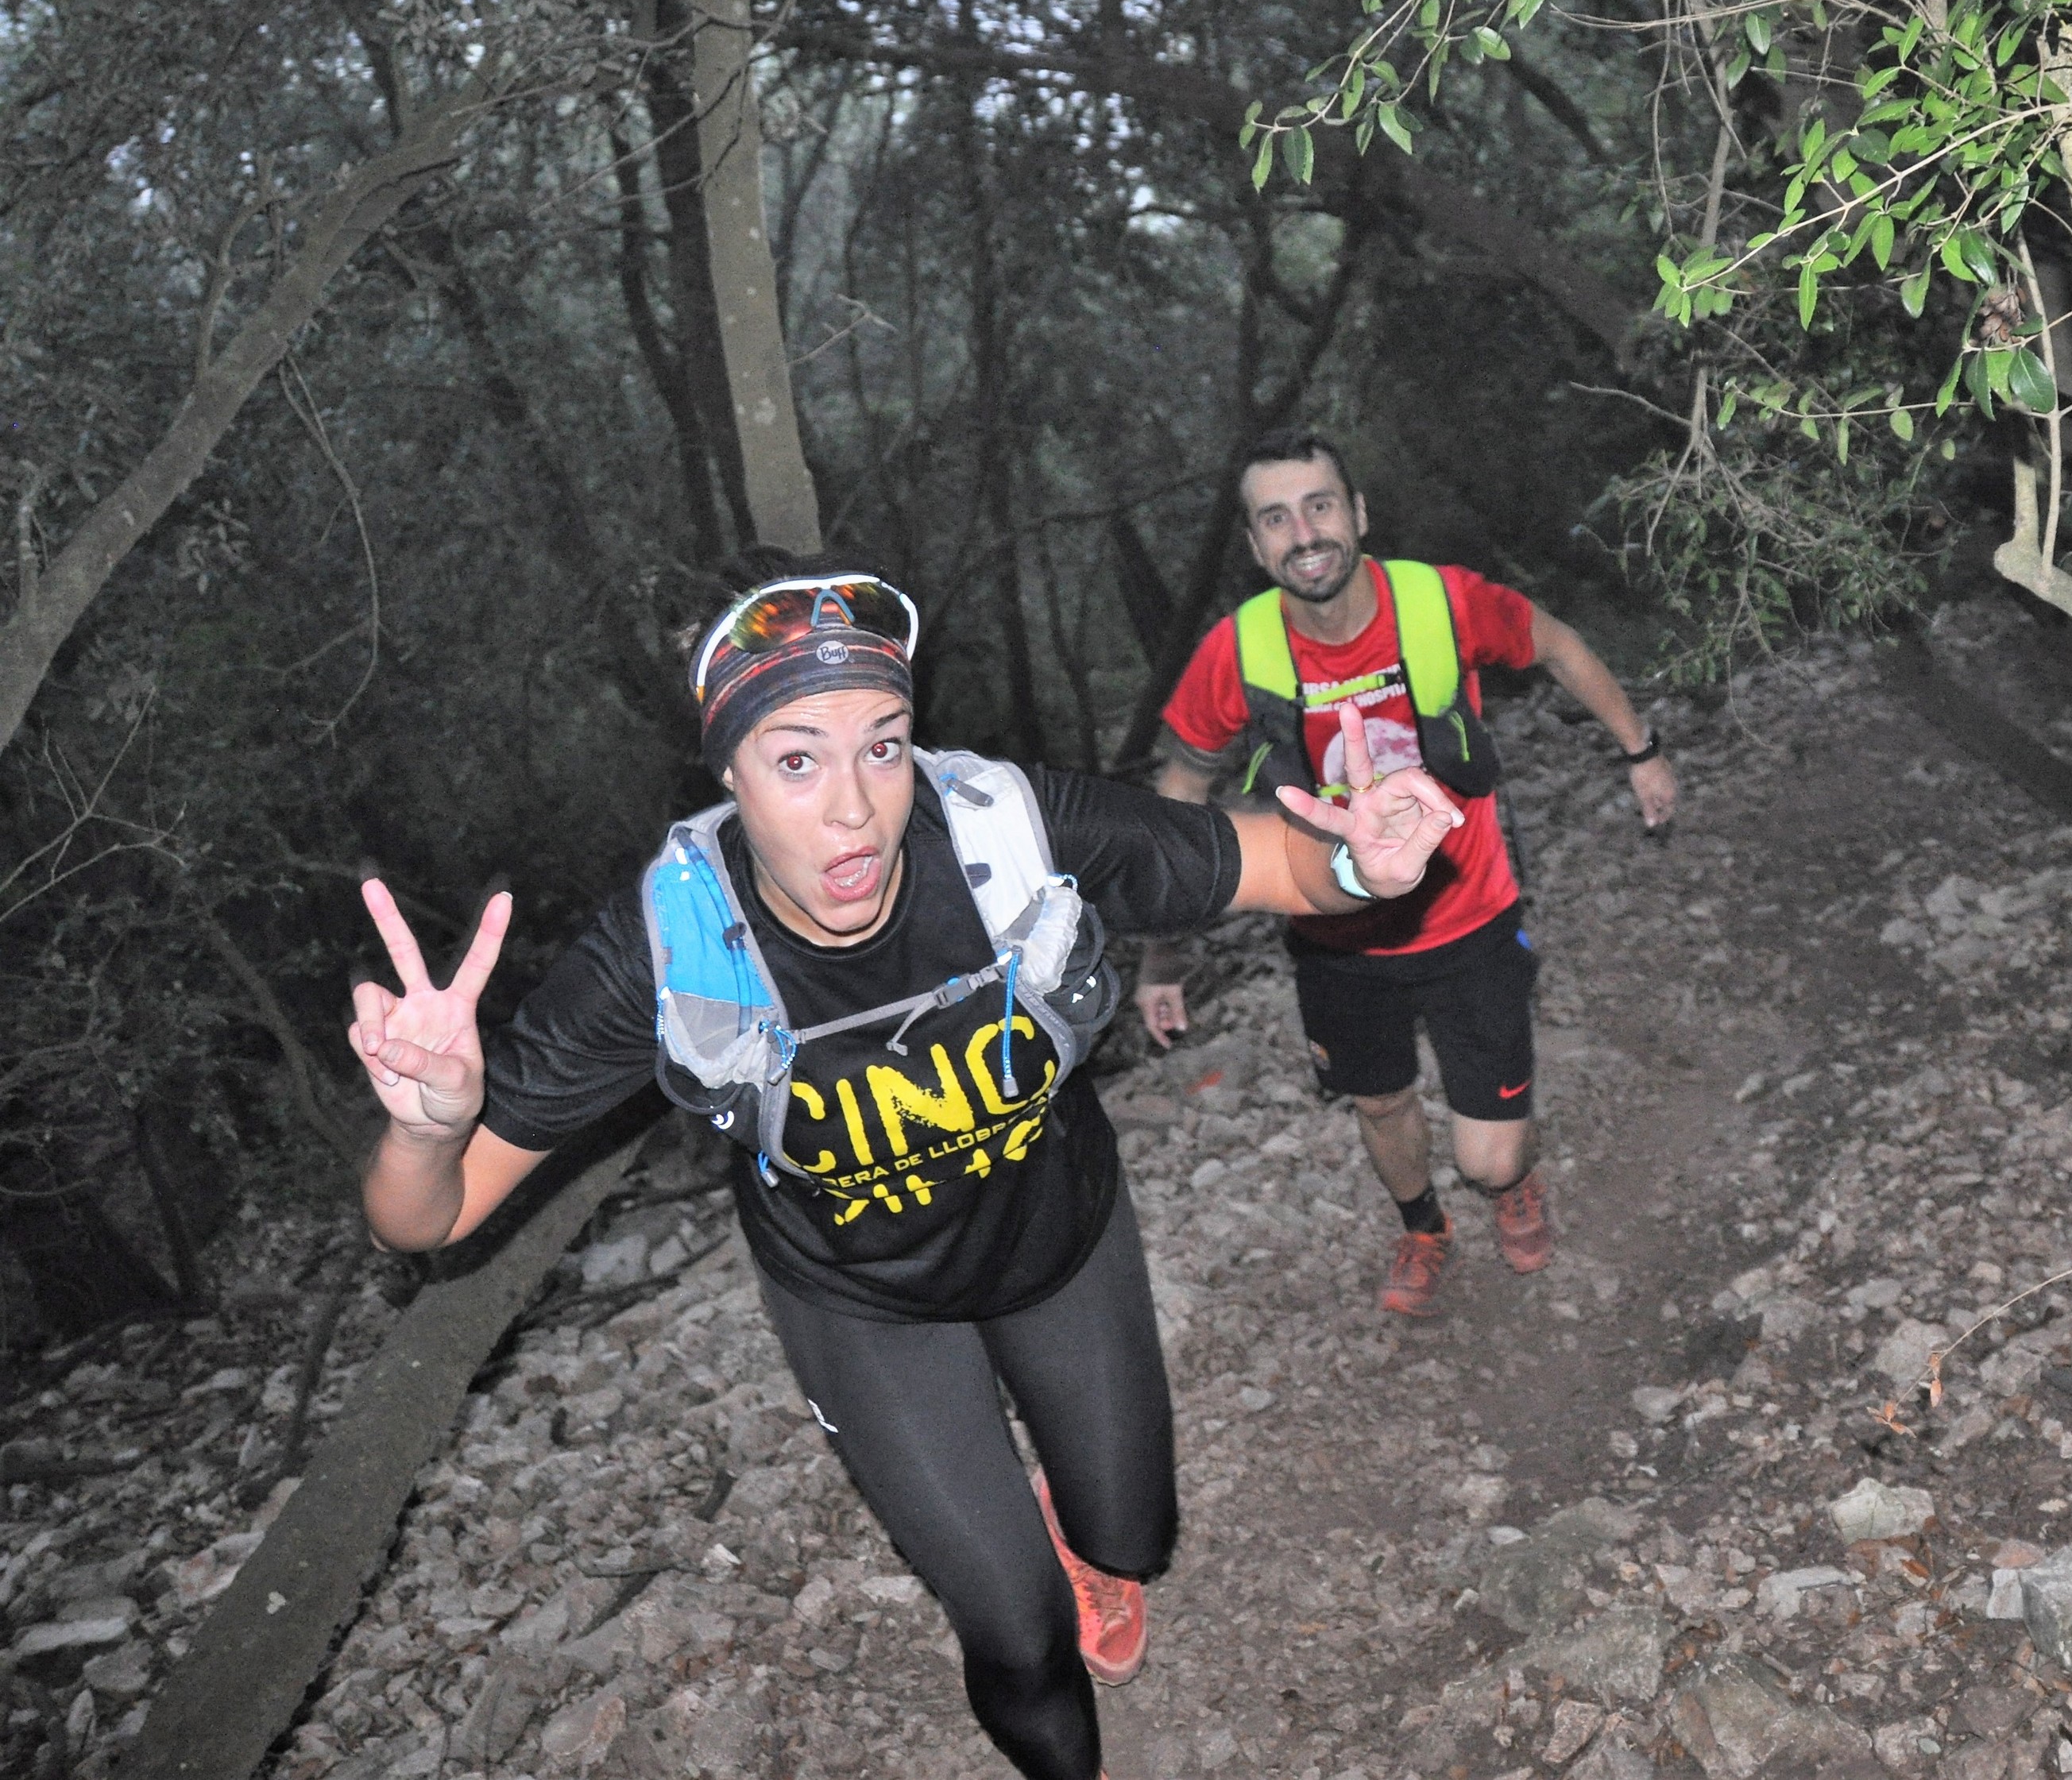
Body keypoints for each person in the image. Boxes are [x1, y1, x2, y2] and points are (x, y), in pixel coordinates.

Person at [346, 566, 1462, 1780]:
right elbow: (427, 1218)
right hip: (864, 1303)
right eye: (795, 759)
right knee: (1017, 1630)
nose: (853, 809)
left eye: (882, 745)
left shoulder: (1001, 830)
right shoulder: (666, 946)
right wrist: (427, 1128)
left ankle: (1083, 1531)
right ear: (727, 774)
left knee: (1133, 1533)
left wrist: (1367, 864)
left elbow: (1278, 864)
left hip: (1059, 1238)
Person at [1137, 431, 1678, 1316]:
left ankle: (1512, 1182)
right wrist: (1162, 955)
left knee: (1489, 1159)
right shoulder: (1237, 651)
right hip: (1334, 940)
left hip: (1471, 916)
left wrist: (1640, 749)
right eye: (1275, 518)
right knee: (1381, 1103)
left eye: (1319, 506)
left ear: (1357, 513)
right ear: (1255, 546)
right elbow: (1180, 795)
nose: (1303, 533)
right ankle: (1422, 1226)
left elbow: (1556, 645)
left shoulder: (1439, 601)